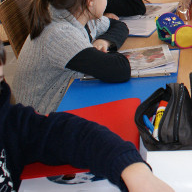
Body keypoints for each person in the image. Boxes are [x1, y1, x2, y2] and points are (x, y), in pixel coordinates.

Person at [0, 42, 172, 191]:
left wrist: (131, 167)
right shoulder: (59, 34)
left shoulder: (9, 122)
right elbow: (118, 69)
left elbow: (69, 133)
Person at [13, 0, 131, 114]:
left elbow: (118, 25)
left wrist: (104, 41)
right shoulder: (59, 34)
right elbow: (119, 69)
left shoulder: (78, 13)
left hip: (62, 104)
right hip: (40, 124)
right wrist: (102, 54)